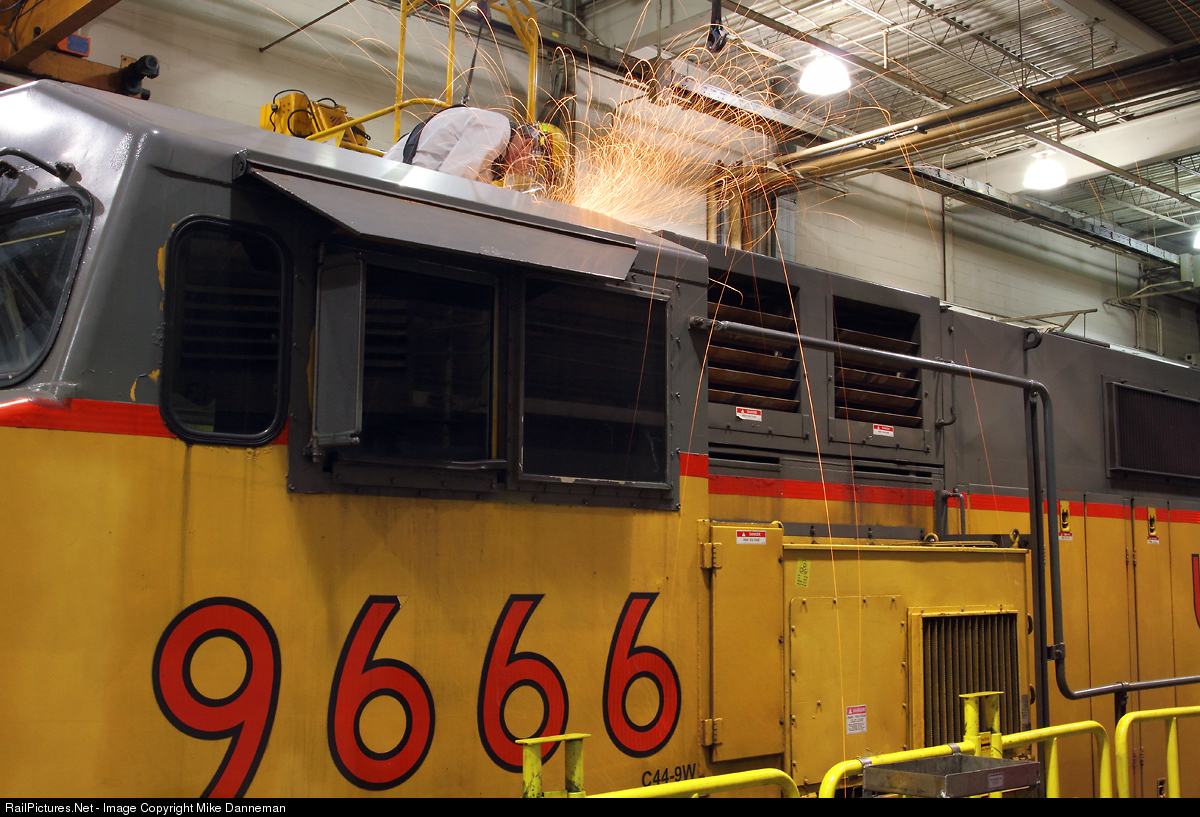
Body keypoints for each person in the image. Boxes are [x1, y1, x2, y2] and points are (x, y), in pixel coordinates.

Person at [383, 106, 543, 185]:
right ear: (528, 145)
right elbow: (453, 184)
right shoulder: (497, 128)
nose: (523, 174)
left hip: (402, 182)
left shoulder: (492, 160)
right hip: (392, 179)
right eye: (530, 167)